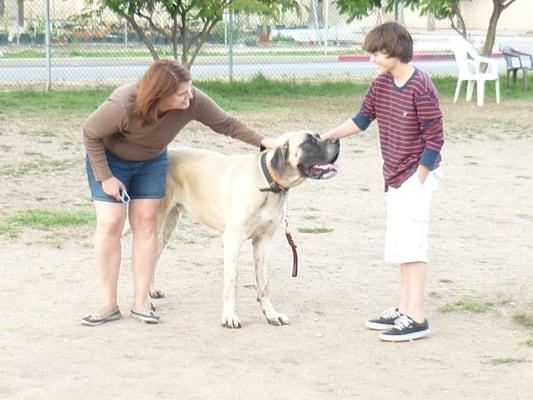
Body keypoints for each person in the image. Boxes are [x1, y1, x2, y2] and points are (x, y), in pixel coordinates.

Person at [81, 59, 279, 326]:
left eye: (190, 89)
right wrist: (105, 178)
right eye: (181, 93)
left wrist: (263, 141)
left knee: (147, 224)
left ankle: (141, 301)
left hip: (151, 161)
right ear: (159, 95)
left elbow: (226, 124)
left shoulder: (192, 100)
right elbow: (90, 132)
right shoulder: (123, 104)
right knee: (110, 224)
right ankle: (108, 304)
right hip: (110, 160)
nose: (190, 96)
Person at [321, 22, 444, 342]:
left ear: (396, 51)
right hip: (394, 176)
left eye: (377, 53)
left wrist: (420, 177)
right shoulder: (381, 85)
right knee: (401, 244)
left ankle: (417, 318)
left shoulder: (421, 86)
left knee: (413, 246)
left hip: (415, 176)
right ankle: (405, 309)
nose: (372, 59)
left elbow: (435, 138)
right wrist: (326, 136)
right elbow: (362, 119)